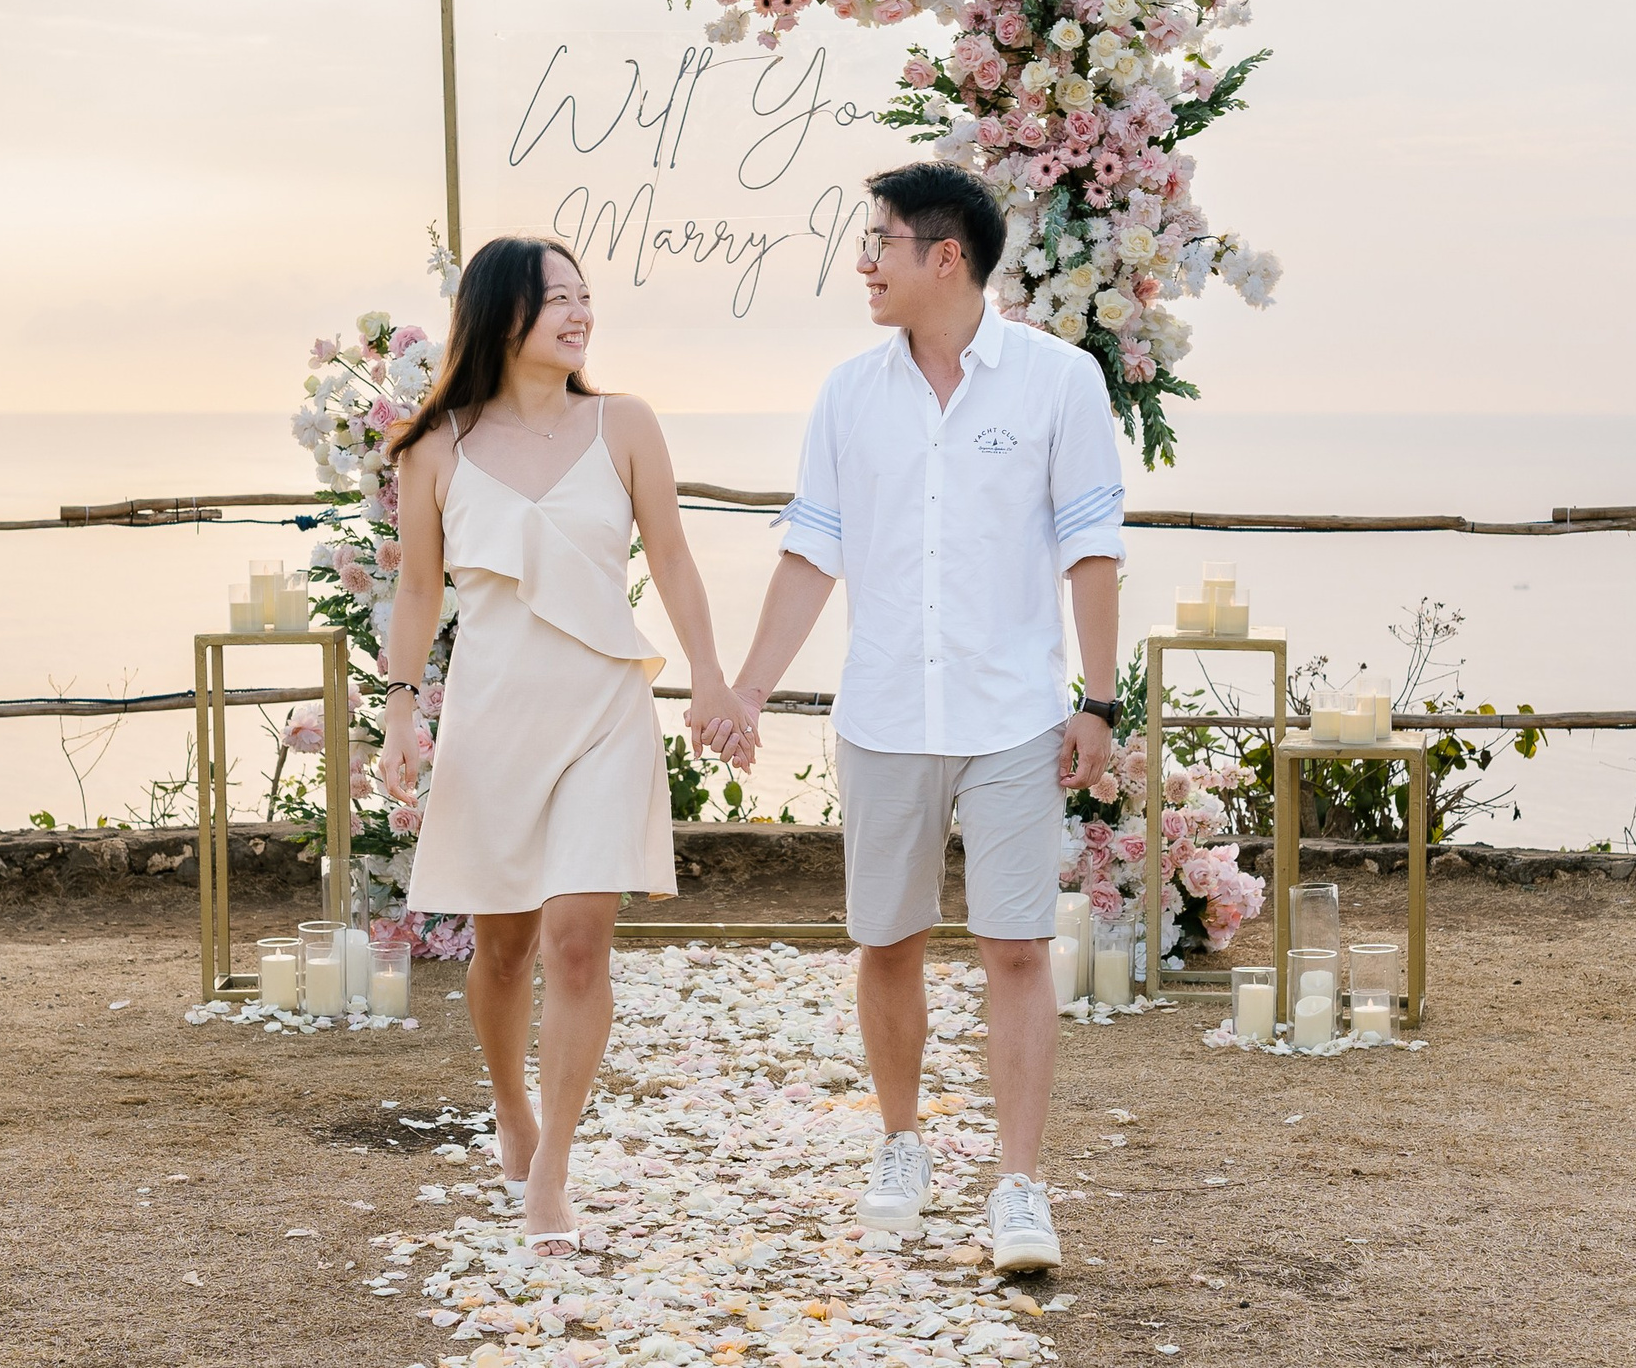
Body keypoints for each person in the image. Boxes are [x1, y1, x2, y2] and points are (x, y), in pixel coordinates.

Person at [722, 162, 1124, 1273]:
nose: (863, 261)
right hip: (887, 711)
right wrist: (750, 688)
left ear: (942, 257)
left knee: (1014, 949)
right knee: (885, 941)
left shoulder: (1059, 381)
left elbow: (1093, 547)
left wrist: (1096, 698)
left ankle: (1019, 1184)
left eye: (879, 242)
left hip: (1010, 716)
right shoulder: (849, 393)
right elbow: (812, 556)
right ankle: (901, 1145)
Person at [380, 235, 746, 1256]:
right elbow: (418, 588)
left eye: (586, 296)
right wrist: (402, 709)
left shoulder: (623, 424)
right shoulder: (435, 448)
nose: (579, 314)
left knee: (577, 939)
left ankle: (553, 1170)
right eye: (557, 300)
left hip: (602, 709)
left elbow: (669, 554)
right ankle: (510, 1107)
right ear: (501, 314)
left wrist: (710, 677)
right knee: (499, 946)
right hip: (494, 715)